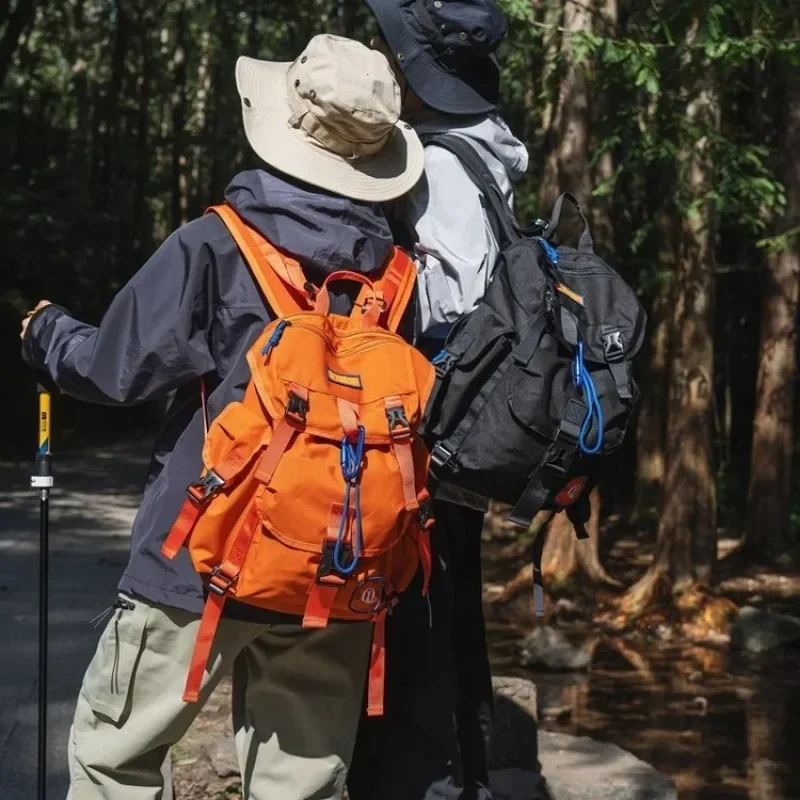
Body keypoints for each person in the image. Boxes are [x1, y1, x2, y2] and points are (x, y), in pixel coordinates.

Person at [20, 34, 424, 800]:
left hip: (200, 561)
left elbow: (113, 369)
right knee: (300, 788)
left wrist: (47, 335)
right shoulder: (399, 272)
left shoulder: (216, 244)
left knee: (116, 763)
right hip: (337, 573)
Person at [347, 2, 529, 799]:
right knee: (449, 600)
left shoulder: (441, 163)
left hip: (430, 424)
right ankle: (468, 767)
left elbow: (451, 302)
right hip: (468, 423)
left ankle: (428, 776)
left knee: (421, 605)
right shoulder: (486, 150)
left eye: (397, 56)